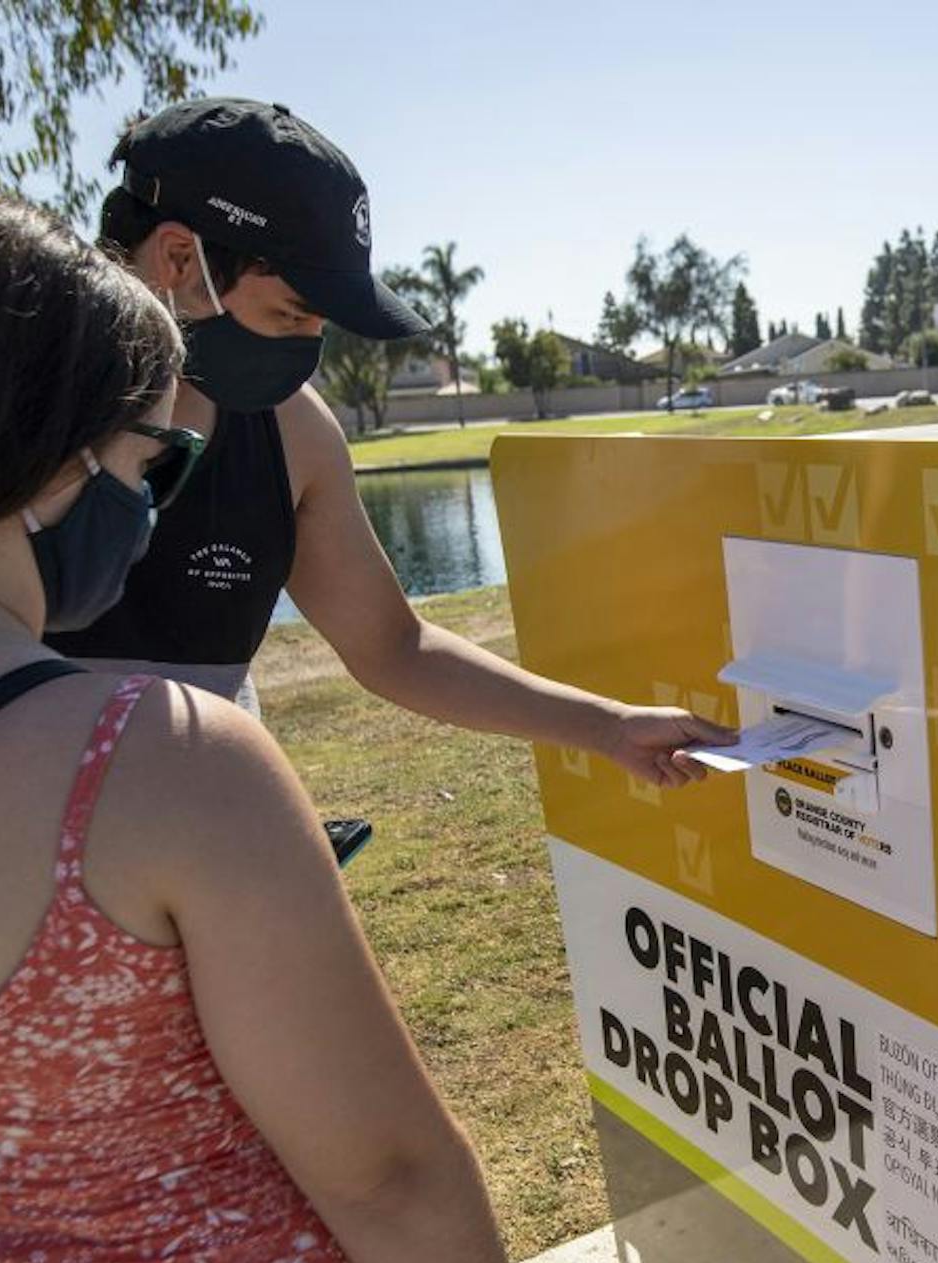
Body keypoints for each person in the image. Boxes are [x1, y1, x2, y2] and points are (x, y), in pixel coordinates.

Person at [0, 178, 585, 1263]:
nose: (151, 506)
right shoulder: (164, 763)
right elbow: (388, 1174)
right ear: (44, 457)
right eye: (156, 460)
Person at [54, 96, 724, 786]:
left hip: (209, 844)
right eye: (292, 312)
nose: (308, 351)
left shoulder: (294, 432)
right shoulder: (14, 405)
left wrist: (608, 727)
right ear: (177, 258)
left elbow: (396, 647)